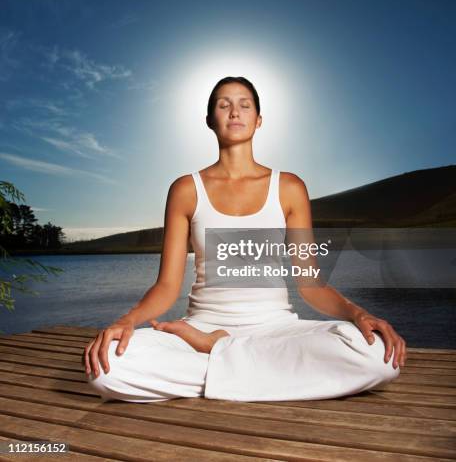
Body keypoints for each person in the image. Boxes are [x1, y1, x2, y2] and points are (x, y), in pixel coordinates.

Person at [83, 76, 407, 403]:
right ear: (210, 120)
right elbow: (167, 288)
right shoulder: (185, 190)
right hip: (200, 326)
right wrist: (126, 321)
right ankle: (264, 369)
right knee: (107, 368)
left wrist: (357, 314)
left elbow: (311, 284)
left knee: (378, 356)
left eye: (244, 105)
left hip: (275, 329)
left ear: (258, 119)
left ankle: (219, 351)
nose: (234, 112)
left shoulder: (289, 187)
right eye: (223, 105)